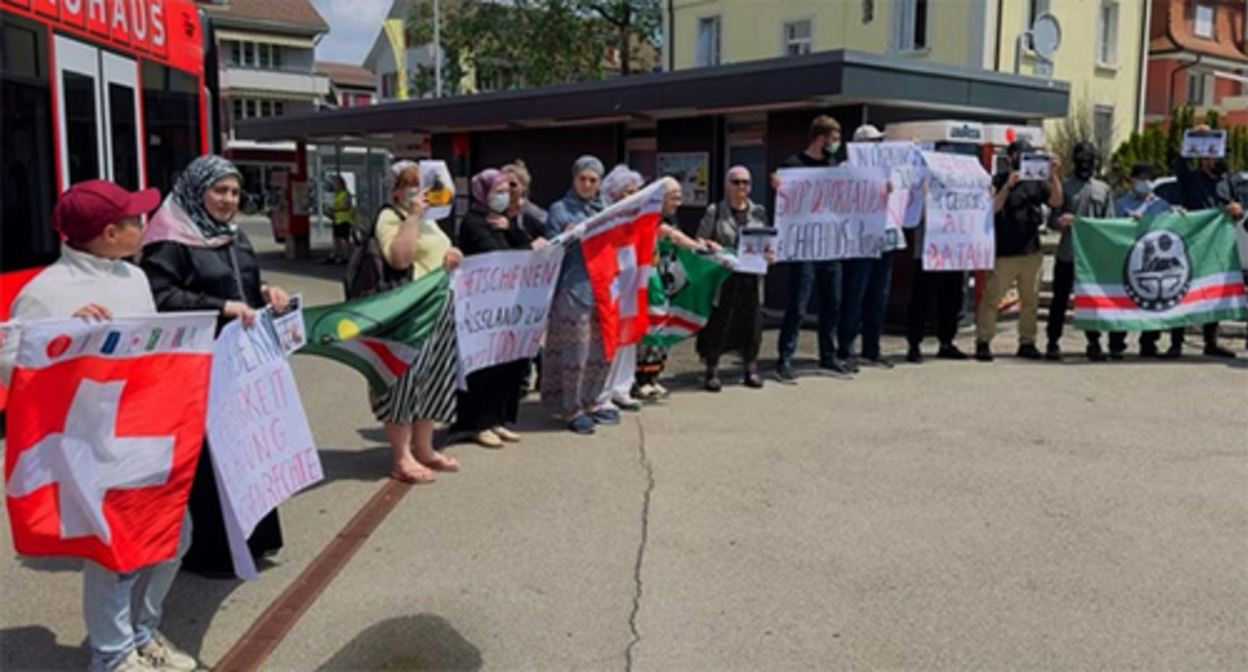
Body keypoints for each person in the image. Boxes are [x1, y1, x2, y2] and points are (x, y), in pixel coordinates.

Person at [5, 180, 198, 672]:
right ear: (110, 232)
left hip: (144, 434)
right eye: (136, 219)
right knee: (114, 553)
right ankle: (112, 656)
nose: (144, 224)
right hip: (89, 444)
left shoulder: (131, 278)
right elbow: (13, 370)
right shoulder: (46, 292)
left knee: (175, 536)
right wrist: (65, 336)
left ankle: (142, 633)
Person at [141, 155, 289, 578]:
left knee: (248, 449)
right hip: (198, 366)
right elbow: (160, 298)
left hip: (240, 363)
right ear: (195, 190)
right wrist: (220, 307)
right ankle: (213, 552)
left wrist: (266, 291)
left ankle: (255, 540)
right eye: (219, 190)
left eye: (234, 191)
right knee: (213, 460)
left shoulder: (233, 235)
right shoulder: (169, 238)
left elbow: (239, 282)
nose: (228, 199)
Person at [361, 160, 464, 480]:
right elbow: (400, 257)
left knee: (431, 379)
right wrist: (415, 216)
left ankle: (424, 447)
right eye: (412, 183)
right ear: (396, 190)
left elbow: (434, 254)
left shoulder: (431, 220)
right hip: (408, 313)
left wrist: (452, 256)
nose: (420, 190)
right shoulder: (391, 217)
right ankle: (402, 457)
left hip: (437, 309)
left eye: (424, 183)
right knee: (402, 382)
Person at [451, 169, 539, 448]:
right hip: (482, 311)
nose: (503, 196)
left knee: (507, 365)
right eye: (497, 191)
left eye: (506, 191)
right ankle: (479, 423)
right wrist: (513, 241)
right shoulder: (473, 222)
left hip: (507, 308)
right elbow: (497, 256)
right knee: (483, 369)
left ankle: (499, 419)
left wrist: (511, 230)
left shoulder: (506, 221)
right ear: (482, 193)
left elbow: (526, 250)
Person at [773, 115, 852, 382]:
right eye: (834, 138)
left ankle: (828, 356)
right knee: (798, 304)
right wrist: (778, 185)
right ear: (821, 138)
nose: (836, 144)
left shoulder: (835, 167)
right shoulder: (793, 166)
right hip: (804, 247)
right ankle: (785, 357)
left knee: (832, 304)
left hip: (830, 246)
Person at [542, 155, 616, 435]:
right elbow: (550, 248)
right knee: (577, 350)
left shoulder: (606, 208)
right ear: (573, 179)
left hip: (602, 287)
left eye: (593, 180)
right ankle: (570, 407)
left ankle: (591, 401)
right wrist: (567, 236)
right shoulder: (560, 209)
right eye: (582, 179)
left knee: (599, 347)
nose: (587, 184)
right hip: (573, 289)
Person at [975, 138, 1064, 362]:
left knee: (1031, 301)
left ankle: (1027, 342)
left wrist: (1053, 175)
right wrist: (1008, 186)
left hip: (1031, 251)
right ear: (1010, 159)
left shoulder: (1036, 182)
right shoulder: (998, 179)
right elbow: (991, 208)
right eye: (1021, 157)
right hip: (1004, 252)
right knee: (991, 299)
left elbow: (1056, 200)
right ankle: (983, 341)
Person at [1164, 124, 1244, 359]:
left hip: (1219, 247)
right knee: (1183, 289)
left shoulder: (1228, 181)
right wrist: (1192, 139)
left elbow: (1238, 212)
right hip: (1193, 244)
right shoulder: (1191, 179)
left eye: (1218, 154)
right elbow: (1180, 163)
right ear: (1202, 159)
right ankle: (1175, 342)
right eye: (1210, 155)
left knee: (1215, 292)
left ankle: (1211, 341)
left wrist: (1237, 210)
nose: (1215, 160)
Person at [635, 179, 720, 400]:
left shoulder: (670, 219)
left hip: (666, 283)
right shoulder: (652, 221)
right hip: (648, 282)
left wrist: (707, 248)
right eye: (674, 197)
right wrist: (700, 248)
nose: (678, 203)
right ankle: (640, 380)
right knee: (649, 331)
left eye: (679, 197)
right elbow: (676, 237)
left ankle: (654, 377)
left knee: (661, 330)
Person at [697, 166, 774, 391]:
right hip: (725, 278)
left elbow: (768, 240)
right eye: (736, 182)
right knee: (720, 324)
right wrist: (711, 246)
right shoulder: (716, 211)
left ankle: (750, 369)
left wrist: (770, 255)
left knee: (752, 325)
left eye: (745, 183)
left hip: (751, 278)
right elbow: (700, 239)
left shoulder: (758, 212)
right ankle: (711, 370)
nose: (741, 187)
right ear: (727, 185)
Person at [1045, 140, 1120, 361]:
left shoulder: (1103, 189)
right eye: (1081, 159)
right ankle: (1052, 342)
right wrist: (1061, 222)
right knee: (1059, 301)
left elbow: (1110, 224)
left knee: (1091, 302)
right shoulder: (1064, 187)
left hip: (1092, 258)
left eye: (1089, 159)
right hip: (1067, 254)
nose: (1085, 163)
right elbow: (1051, 220)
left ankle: (1094, 343)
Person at [838, 124, 899, 370]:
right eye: (872, 142)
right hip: (860, 240)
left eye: (878, 142)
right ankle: (847, 347)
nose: (877, 146)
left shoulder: (888, 169)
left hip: (884, 238)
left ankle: (872, 348)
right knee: (855, 294)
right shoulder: (846, 168)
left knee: (879, 295)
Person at [597, 165, 647, 412]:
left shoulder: (639, 216)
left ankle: (623, 388)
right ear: (615, 194)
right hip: (612, 283)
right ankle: (603, 391)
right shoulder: (606, 216)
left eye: (636, 191)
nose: (632, 196)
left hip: (632, 283)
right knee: (610, 337)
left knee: (629, 337)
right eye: (627, 191)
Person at [1118, 163, 1176, 358]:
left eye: (1150, 179)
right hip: (1128, 258)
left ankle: (1149, 342)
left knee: (1153, 300)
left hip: (1153, 261)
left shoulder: (1162, 205)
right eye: (1141, 179)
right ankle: (1117, 343)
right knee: (1124, 302)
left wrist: (1181, 217)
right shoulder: (1121, 204)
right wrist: (1127, 223)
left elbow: (1173, 227)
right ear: (1132, 180)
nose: (1146, 183)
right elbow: (1110, 229)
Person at [503, 160, 548, 241]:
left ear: (523, 187)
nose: (507, 188)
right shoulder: (496, 210)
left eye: (512, 185)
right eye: (503, 183)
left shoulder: (532, 212)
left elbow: (551, 231)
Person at [326, 175, 354, 264]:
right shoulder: (337, 194)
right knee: (336, 239)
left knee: (344, 239)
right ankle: (334, 255)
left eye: (336, 184)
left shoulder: (346, 194)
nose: (334, 186)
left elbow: (346, 206)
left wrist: (335, 208)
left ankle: (347, 257)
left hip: (344, 220)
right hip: (337, 219)